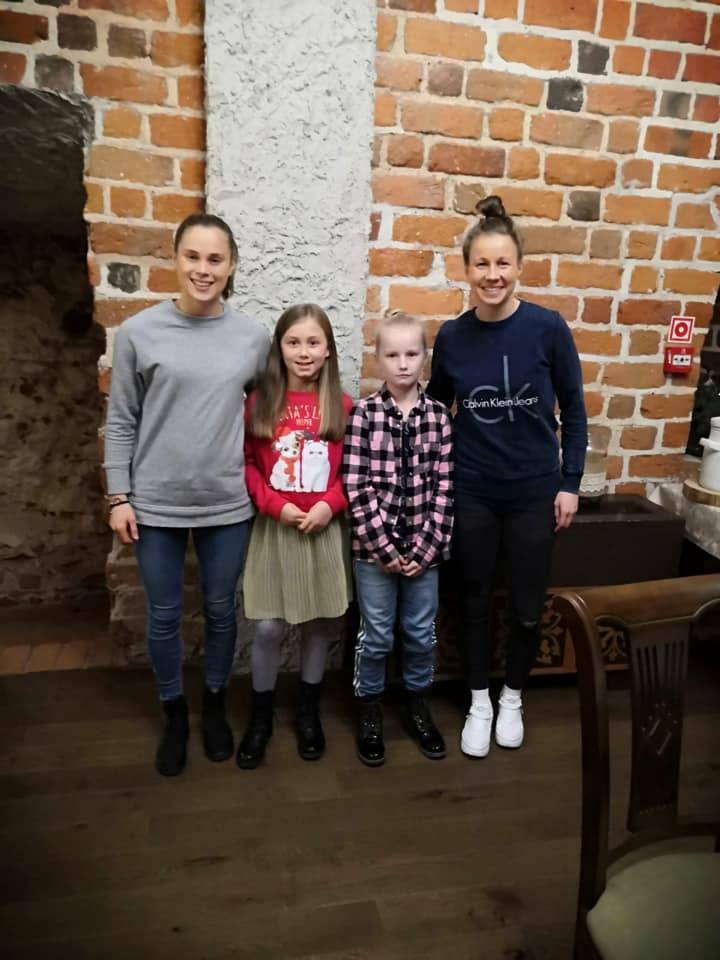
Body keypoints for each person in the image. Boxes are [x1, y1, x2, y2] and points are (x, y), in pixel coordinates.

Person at [103, 213, 270, 777]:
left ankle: (215, 706)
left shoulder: (252, 338)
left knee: (222, 610)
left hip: (227, 503)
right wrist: (118, 496)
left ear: (231, 266)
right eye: (192, 256)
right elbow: (121, 420)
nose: (203, 269)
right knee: (165, 614)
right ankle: (174, 713)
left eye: (215, 259)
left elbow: (265, 419)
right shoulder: (138, 333)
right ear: (175, 259)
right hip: (155, 503)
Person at [427, 195, 587, 758]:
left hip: (534, 491)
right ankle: (478, 701)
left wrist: (570, 482)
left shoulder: (547, 329)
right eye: (481, 264)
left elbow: (575, 409)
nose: (492, 275)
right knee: (472, 598)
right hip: (472, 487)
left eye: (502, 264)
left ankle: (512, 697)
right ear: (466, 269)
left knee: (525, 602)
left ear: (518, 267)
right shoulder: (452, 337)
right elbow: (435, 410)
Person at [238, 303, 353, 768]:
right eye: (293, 342)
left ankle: (308, 711)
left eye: (313, 342)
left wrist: (331, 504)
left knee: (318, 625)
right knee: (268, 626)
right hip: (276, 527)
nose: (303, 352)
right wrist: (273, 504)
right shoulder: (260, 402)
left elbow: (355, 470)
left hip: (322, 529)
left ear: (327, 351)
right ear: (279, 349)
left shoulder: (342, 405)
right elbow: (247, 463)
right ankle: (260, 716)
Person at [344, 310, 453, 767]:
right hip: (374, 555)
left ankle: (417, 704)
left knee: (421, 634)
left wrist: (425, 550)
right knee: (376, 635)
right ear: (378, 359)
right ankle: (369, 709)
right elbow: (356, 488)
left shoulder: (439, 417)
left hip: (425, 553)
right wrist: (384, 549)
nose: (403, 363)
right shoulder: (364, 415)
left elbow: (445, 488)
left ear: (425, 357)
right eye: (392, 355)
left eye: (412, 353)